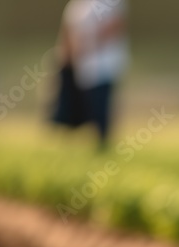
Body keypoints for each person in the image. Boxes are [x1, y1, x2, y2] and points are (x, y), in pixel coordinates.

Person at [52, 0, 129, 148]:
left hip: (105, 66)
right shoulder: (76, 6)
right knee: (78, 107)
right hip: (82, 66)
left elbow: (115, 26)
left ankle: (102, 143)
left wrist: (86, 44)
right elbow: (67, 33)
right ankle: (74, 143)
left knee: (100, 106)